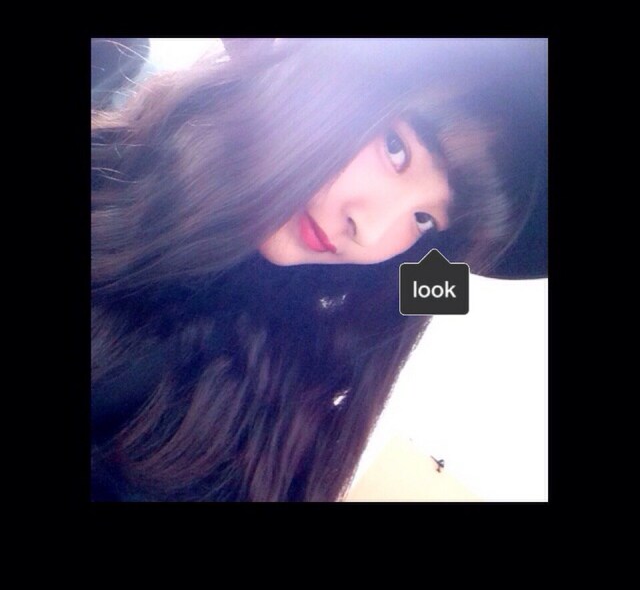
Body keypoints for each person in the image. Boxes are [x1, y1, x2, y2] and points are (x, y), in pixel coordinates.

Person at [91, 38, 523, 502]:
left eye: (424, 220)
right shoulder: (111, 154)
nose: (370, 231)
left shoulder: (281, 410)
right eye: (396, 147)